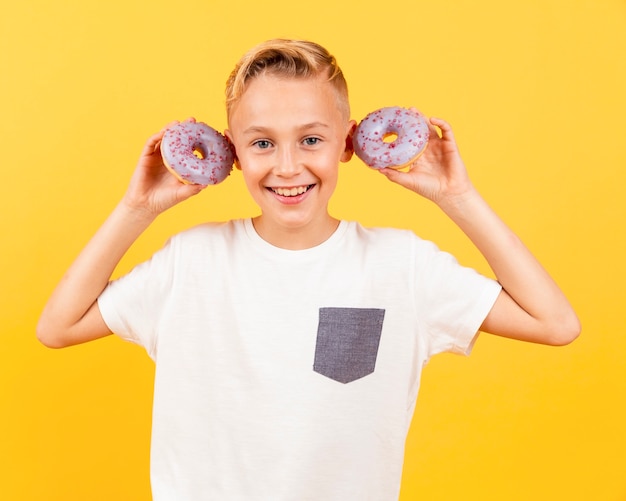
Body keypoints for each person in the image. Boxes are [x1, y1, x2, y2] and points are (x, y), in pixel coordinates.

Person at [37, 39, 580, 500]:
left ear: (348, 144)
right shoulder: (192, 260)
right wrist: (138, 209)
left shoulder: (401, 265)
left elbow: (555, 324)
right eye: (263, 143)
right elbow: (57, 327)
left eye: (311, 139)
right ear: (232, 154)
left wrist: (456, 196)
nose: (288, 166)